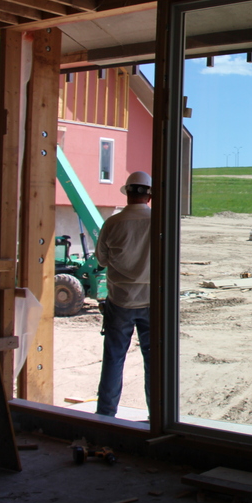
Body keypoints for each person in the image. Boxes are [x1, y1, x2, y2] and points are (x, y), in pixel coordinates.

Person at [95, 170, 153, 417]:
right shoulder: (159, 221)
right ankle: (158, 414)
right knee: (154, 363)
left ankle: (106, 414)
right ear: (149, 196)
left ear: (128, 193)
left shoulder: (112, 223)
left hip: (120, 301)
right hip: (152, 301)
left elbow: (102, 259)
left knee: (114, 359)